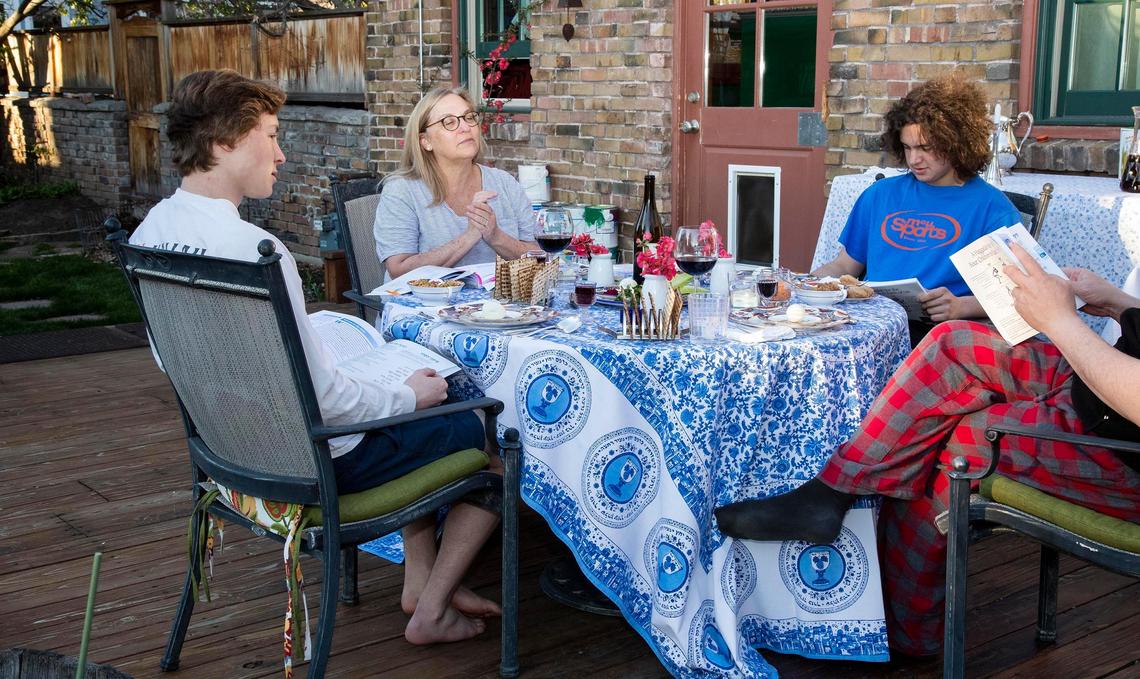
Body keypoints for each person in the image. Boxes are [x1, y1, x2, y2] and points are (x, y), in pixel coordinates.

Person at [130, 69, 502, 645]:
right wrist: (409, 395)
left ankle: (420, 581)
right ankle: (430, 608)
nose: (280, 153)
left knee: (416, 383)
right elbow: (328, 402)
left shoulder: (151, 233)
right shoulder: (253, 252)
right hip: (318, 462)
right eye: (271, 136)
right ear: (226, 144)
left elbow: (179, 359)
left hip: (234, 450)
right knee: (481, 423)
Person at [715, 245, 1140, 656]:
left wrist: (1060, 319)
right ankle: (831, 492)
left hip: (1116, 444)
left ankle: (906, 630)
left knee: (961, 441)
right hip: (1098, 387)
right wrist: (1121, 303)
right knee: (953, 342)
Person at [813, 73, 1022, 329]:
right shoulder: (880, 194)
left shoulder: (993, 209)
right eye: (908, 148)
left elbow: (1018, 294)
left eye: (925, 148)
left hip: (939, 334)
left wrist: (961, 306)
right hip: (869, 326)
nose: (914, 160)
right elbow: (845, 265)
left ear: (957, 143)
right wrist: (804, 285)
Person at [375, 86, 537, 278]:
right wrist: (469, 236)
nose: (465, 127)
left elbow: (538, 257)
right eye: (449, 122)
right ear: (425, 141)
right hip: (425, 306)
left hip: (499, 306)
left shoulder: (505, 183)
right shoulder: (402, 191)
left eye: (469, 118)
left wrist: (496, 236)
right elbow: (398, 269)